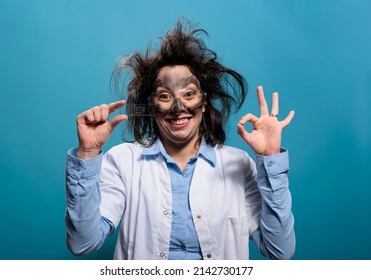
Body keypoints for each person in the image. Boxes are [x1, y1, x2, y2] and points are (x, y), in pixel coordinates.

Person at [65, 19, 295, 260]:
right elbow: (82, 243)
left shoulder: (239, 164)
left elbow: (279, 251)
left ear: (204, 103)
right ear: (152, 107)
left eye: (189, 94)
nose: (178, 107)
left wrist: (271, 160)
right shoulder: (122, 161)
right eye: (164, 96)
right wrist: (88, 154)